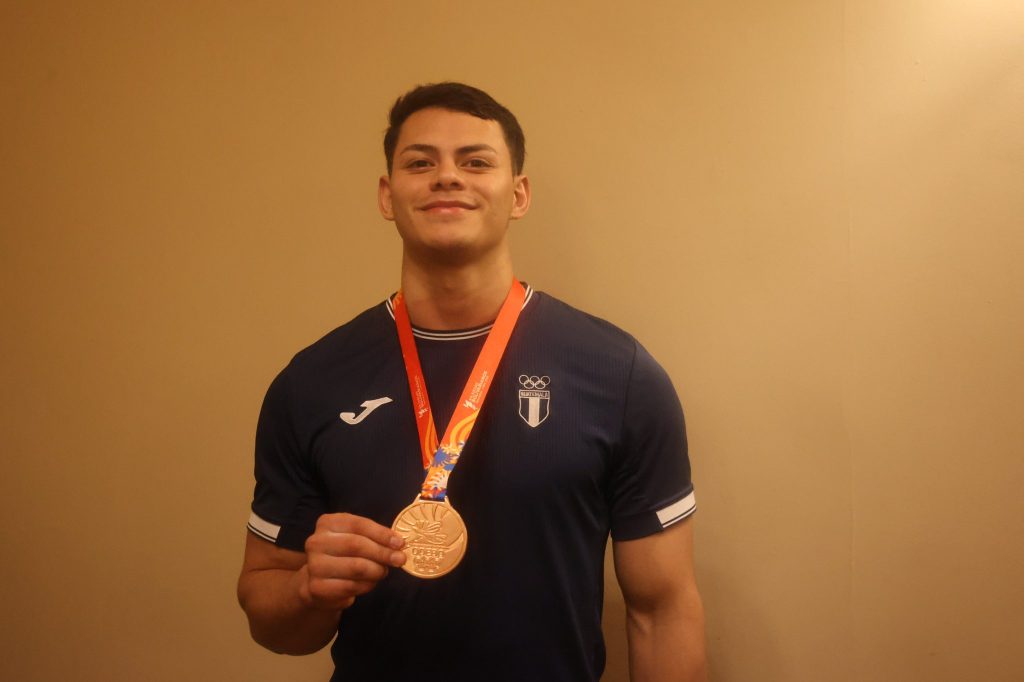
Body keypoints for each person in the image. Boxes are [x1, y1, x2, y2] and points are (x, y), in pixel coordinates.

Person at [237, 82, 707, 681]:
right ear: (387, 195)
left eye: (476, 162)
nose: (447, 177)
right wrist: (308, 588)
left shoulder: (618, 374)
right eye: (420, 163)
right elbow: (270, 618)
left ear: (519, 194)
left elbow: (662, 613)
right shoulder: (311, 382)